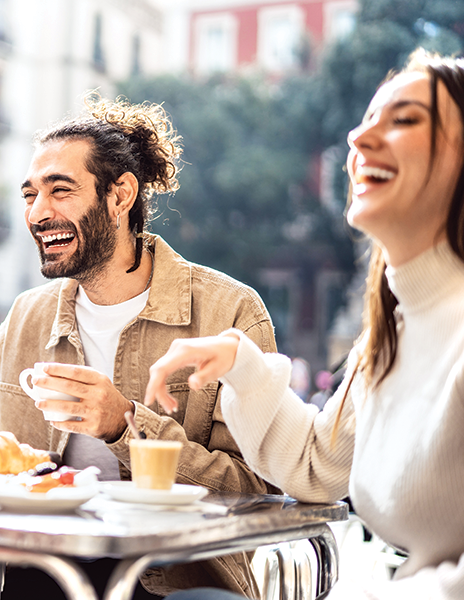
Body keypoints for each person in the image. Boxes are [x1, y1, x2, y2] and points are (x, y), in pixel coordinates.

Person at [0, 96, 279, 598]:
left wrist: (126, 425)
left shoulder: (228, 312)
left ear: (120, 196)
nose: (38, 213)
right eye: (30, 195)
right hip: (38, 571)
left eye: (60, 190)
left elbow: (258, 490)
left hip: (168, 581)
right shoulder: (26, 317)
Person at [144, 50, 464, 600]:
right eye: (366, 120)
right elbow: (318, 464)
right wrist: (241, 365)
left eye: (406, 119)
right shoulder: (392, 335)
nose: (358, 139)